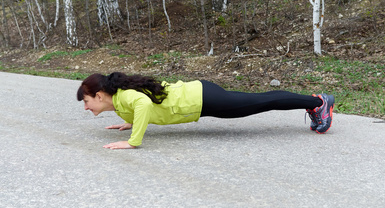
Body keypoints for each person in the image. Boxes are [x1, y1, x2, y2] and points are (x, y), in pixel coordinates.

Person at [77, 72, 335, 149]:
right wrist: (132, 122)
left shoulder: (126, 97)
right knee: (259, 101)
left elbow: (143, 104)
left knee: (261, 102)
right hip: (201, 98)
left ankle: (318, 103)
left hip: (203, 99)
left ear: (99, 95)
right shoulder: (120, 102)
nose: (87, 107)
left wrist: (133, 142)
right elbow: (143, 107)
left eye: (87, 101)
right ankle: (313, 102)